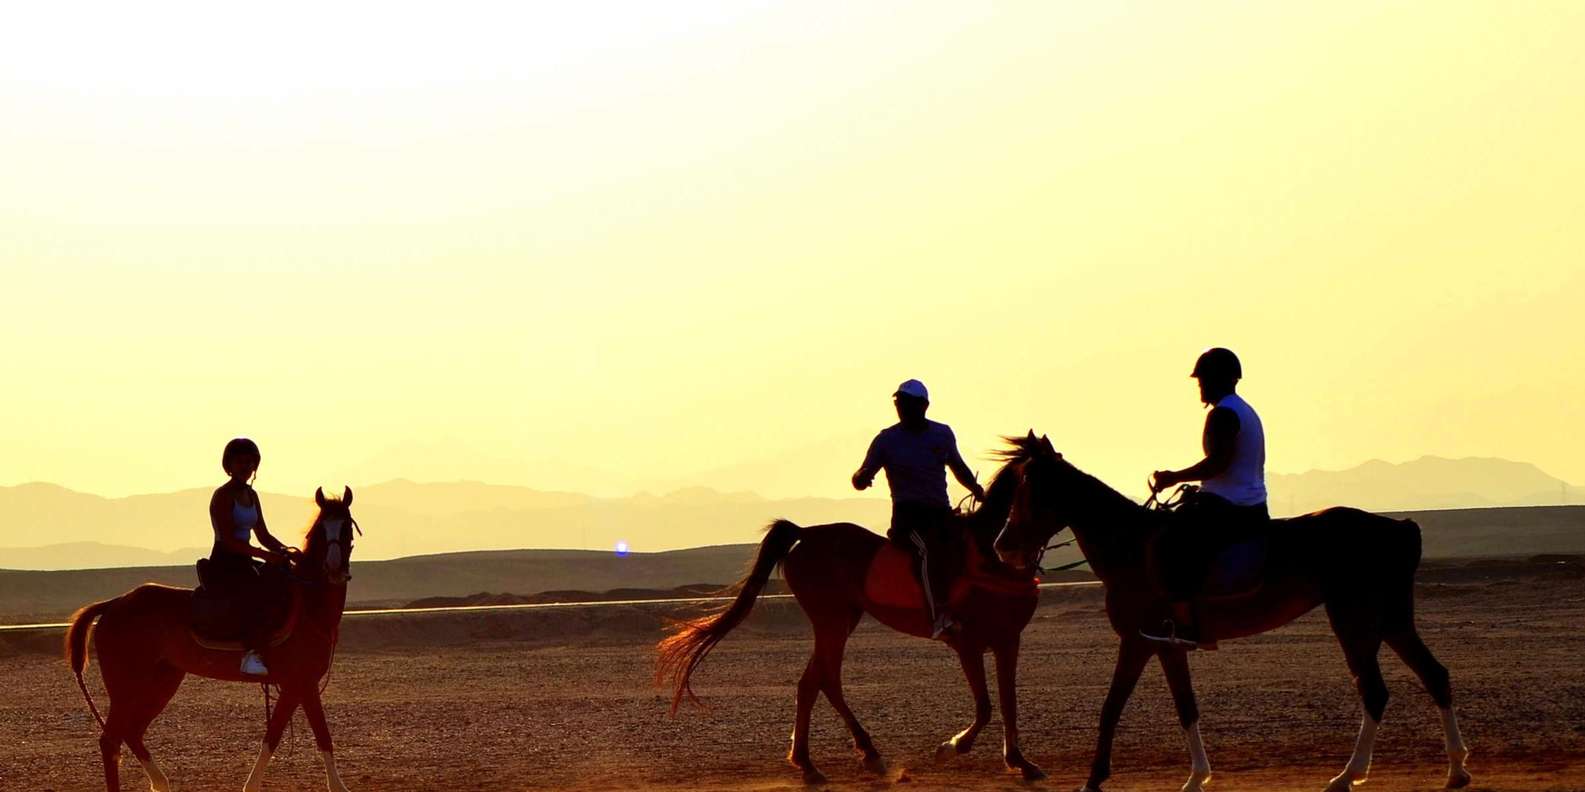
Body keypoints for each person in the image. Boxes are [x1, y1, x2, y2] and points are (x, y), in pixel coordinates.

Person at [1142, 348, 1269, 650]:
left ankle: (1185, 625)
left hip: (1230, 506)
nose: (1200, 386)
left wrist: (1173, 477)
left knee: (1165, 544)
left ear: (1219, 380)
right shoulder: (1244, 410)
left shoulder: (1223, 414)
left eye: (1203, 380)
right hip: (1244, 503)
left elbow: (1217, 464)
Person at [852, 379, 985, 639]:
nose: (901, 408)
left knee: (972, 543)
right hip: (908, 518)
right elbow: (864, 471)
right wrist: (861, 478)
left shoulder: (942, 434)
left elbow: (958, 467)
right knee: (927, 550)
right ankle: (939, 615)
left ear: (923, 406)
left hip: (940, 513)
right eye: (899, 403)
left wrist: (977, 489)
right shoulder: (887, 440)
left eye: (907, 403)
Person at [208, 438, 298, 676]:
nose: (246, 467)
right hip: (226, 561)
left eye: (250, 462)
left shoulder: (252, 495)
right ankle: (250, 654)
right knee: (256, 592)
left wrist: (287, 551)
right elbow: (228, 539)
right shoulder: (223, 496)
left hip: (246, 558)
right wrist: (265, 556)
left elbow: (263, 534)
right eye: (241, 462)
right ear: (230, 465)